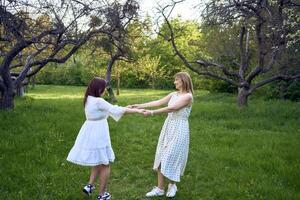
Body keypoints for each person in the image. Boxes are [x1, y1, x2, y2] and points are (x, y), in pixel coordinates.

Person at [67, 77, 143, 200]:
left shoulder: (89, 99)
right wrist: (137, 111)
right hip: (98, 134)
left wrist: (126, 108)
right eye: (104, 89)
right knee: (105, 164)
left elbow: (106, 111)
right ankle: (102, 195)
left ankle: (90, 186)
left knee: (98, 159)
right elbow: (114, 109)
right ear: (99, 88)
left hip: (89, 131)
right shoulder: (98, 101)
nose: (105, 91)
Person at [130, 72, 193, 198]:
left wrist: (152, 113)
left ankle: (172, 185)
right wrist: (139, 105)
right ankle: (159, 188)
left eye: (177, 80)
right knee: (161, 154)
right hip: (168, 126)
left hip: (180, 128)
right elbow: (158, 102)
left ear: (183, 81)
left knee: (171, 156)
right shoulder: (173, 94)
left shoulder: (188, 96)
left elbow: (172, 109)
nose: (174, 82)